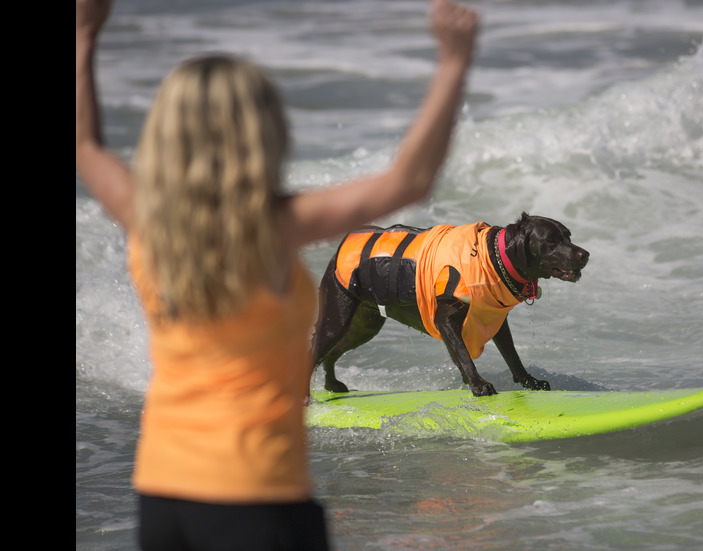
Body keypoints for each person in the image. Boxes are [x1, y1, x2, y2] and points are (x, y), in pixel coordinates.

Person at [75, 0, 479, 548]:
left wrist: (83, 35)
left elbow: (85, 146)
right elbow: (409, 179)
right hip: (257, 493)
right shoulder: (272, 226)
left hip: (162, 489)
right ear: (262, 130)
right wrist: (454, 59)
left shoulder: (149, 220)